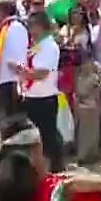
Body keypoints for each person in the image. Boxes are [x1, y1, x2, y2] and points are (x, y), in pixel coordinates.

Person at [20, 11, 63, 172]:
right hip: (31, 96)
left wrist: (21, 72)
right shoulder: (35, 46)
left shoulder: (50, 46)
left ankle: (55, 170)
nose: (31, 29)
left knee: (48, 138)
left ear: (43, 26)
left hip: (45, 98)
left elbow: (42, 73)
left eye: (33, 25)